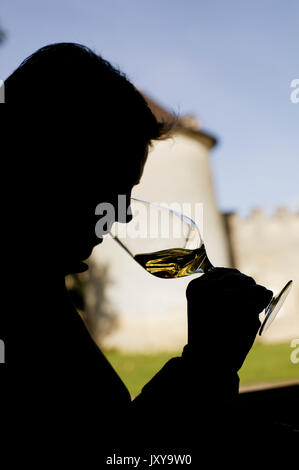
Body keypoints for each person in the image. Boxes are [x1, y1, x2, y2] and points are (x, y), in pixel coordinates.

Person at [1, 43, 273, 464]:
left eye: (129, 196)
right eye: (114, 187)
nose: (124, 214)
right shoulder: (19, 304)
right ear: (48, 163)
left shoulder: (34, 290)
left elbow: (110, 441)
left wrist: (204, 364)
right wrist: (207, 365)